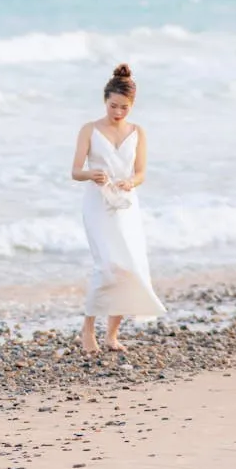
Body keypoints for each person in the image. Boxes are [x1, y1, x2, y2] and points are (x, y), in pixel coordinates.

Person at [70, 64, 166, 353]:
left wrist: (130, 182)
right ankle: (88, 329)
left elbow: (141, 173)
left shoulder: (138, 132)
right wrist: (91, 174)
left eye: (124, 107)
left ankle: (112, 335)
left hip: (126, 205)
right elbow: (75, 171)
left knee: (129, 267)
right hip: (97, 203)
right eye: (113, 106)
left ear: (132, 105)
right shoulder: (89, 129)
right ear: (105, 100)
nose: (118, 112)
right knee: (107, 266)